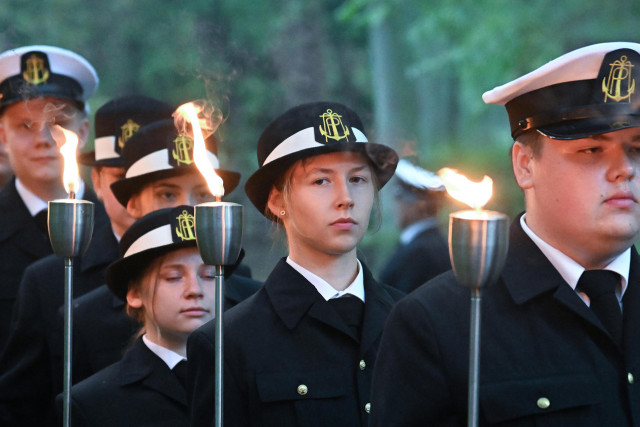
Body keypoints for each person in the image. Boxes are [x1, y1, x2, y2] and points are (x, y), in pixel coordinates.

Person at [370, 42, 640, 426]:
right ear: (525, 164)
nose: (625, 170)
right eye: (592, 150)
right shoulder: (437, 323)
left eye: (637, 148)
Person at [187, 101, 404, 426]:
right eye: (321, 181)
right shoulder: (229, 344)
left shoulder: (412, 321)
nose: (346, 197)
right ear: (277, 200)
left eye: (358, 179)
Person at [0, 94, 175, 427]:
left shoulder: (223, 276)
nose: (132, 194)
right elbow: (21, 405)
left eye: (157, 183)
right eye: (121, 177)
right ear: (96, 181)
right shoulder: (52, 280)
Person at [68, 118, 262, 384]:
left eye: (203, 194)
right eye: (168, 195)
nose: (187, 208)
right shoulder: (85, 317)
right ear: (132, 205)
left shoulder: (254, 304)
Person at [58, 205, 214, 426]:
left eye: (209, 275)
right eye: (173, 277)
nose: (194, 289)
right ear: (134, 293)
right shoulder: (92, 402)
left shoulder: (244, 378)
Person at [0, 45, 104, 348]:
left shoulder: (117, 228)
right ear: (3, 136)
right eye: (25, 125)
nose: (43, 140)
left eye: (58, 124)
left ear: (83, 132)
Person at [379, 158, 450, 293]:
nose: (396, 205)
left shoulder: (420, 253)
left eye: (399, 197)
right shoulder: (430, 244)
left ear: (419, 205)